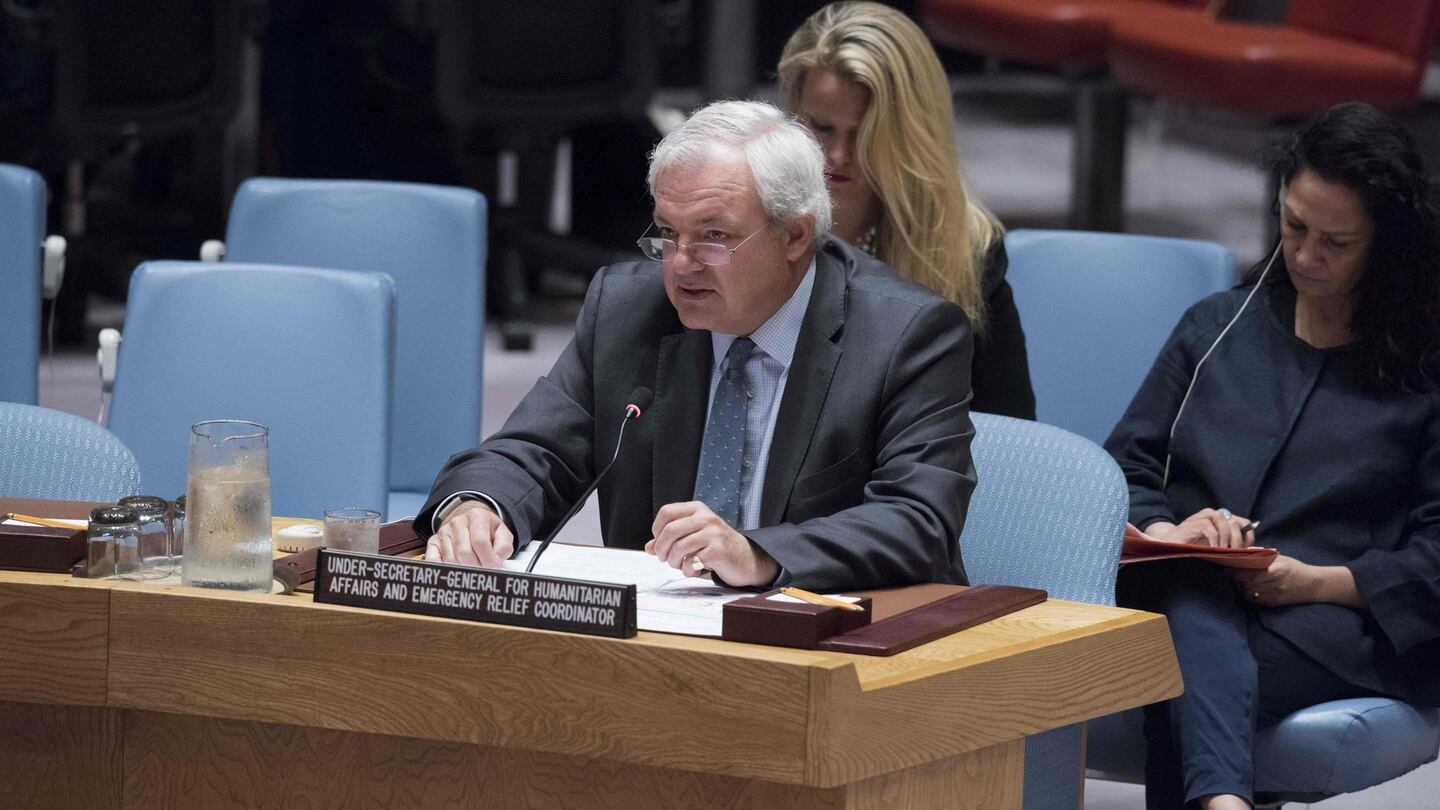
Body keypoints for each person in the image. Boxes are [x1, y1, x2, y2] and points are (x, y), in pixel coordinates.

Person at [417, 99, 976, 591]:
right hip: (667, 644)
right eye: (667, 233)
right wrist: (478, 506)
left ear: (796, 235)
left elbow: (917, 519)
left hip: (848, 643)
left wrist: (756, 553)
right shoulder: (626, 307)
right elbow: (534, 450)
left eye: (714, 237)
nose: (680, 266)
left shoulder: (905, 334)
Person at [1106, 102, 1440, 810]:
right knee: (1193, 607)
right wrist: (1172, 532)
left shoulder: (1426, 372)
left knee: (1180, 651)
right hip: (1190, 590)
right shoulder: (1215, 327)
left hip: (1340, 625)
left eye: (1336, 242)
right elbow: (1126, 468)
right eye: (1293, 227)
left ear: (1386, 243)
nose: (1306, 256)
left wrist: (1316, 581)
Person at [777, 1, 1035, 420]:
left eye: (866, 136)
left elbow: (1010, 432)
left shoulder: (965, 248)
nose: (839, 155)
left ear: (911, 135)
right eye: (822, 127)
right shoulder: (753, 224)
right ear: (793, 113)